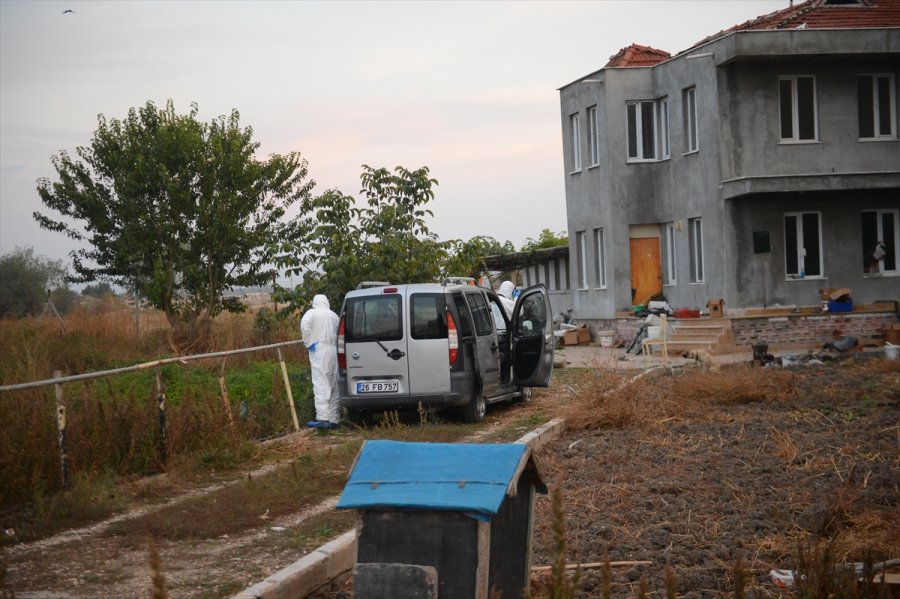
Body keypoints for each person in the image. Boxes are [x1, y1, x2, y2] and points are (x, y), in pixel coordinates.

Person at [300, 294, 341, 428]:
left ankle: (323, 418)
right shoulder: (334, 316)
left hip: (319, 349)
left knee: (321, 382)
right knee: (334, 383)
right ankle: (334, 418)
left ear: (315, 302)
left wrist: (308, 343)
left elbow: (304, 324)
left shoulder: (312, 313)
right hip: (334, 350)